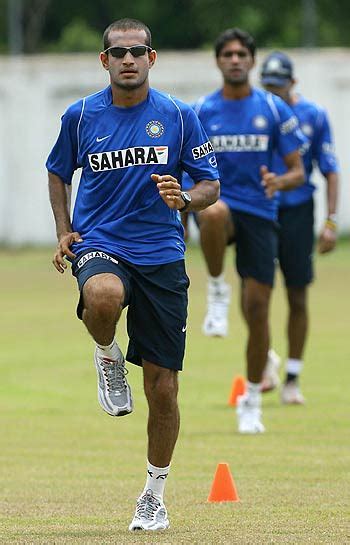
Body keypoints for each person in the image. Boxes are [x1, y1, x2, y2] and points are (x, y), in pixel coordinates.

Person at [46, 18, 219, 532]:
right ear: (104, 61)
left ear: (152, 58)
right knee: (101, 295)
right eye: (118, 52)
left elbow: (210, 184)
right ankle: (107, 354)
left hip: (162, 254)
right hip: (100, 244)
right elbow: (58, 170)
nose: (128, 59)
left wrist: (184, 199)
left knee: (163, 388)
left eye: (137, 51)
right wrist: (64, 229)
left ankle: (153, 494)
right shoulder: (79, 117)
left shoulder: (179, 116)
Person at [183, 28, 305, 434]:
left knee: (258, 310)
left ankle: (252, 397)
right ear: (218, 61)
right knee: (214, 213)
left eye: (242, 54)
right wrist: (182, 220)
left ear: (252, 61)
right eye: (228, 54)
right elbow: (183, 171)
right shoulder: (200, 110)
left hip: (259, 214)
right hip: (217, 205)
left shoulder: (273, 109)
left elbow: (297, 169)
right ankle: (217, 288)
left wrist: (279, 182)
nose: (235, 60)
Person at [260, 51, 339, 403]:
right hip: (261, 211)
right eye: (268, 87)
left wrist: (331, 221)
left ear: (293, 83)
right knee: (256, 294)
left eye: (279, 86)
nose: (273, 93)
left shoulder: (313, 115)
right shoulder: (254, 112)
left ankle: (292, 376)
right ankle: (264, 362)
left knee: (297, 294)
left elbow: (330, 169)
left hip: (297, 212)